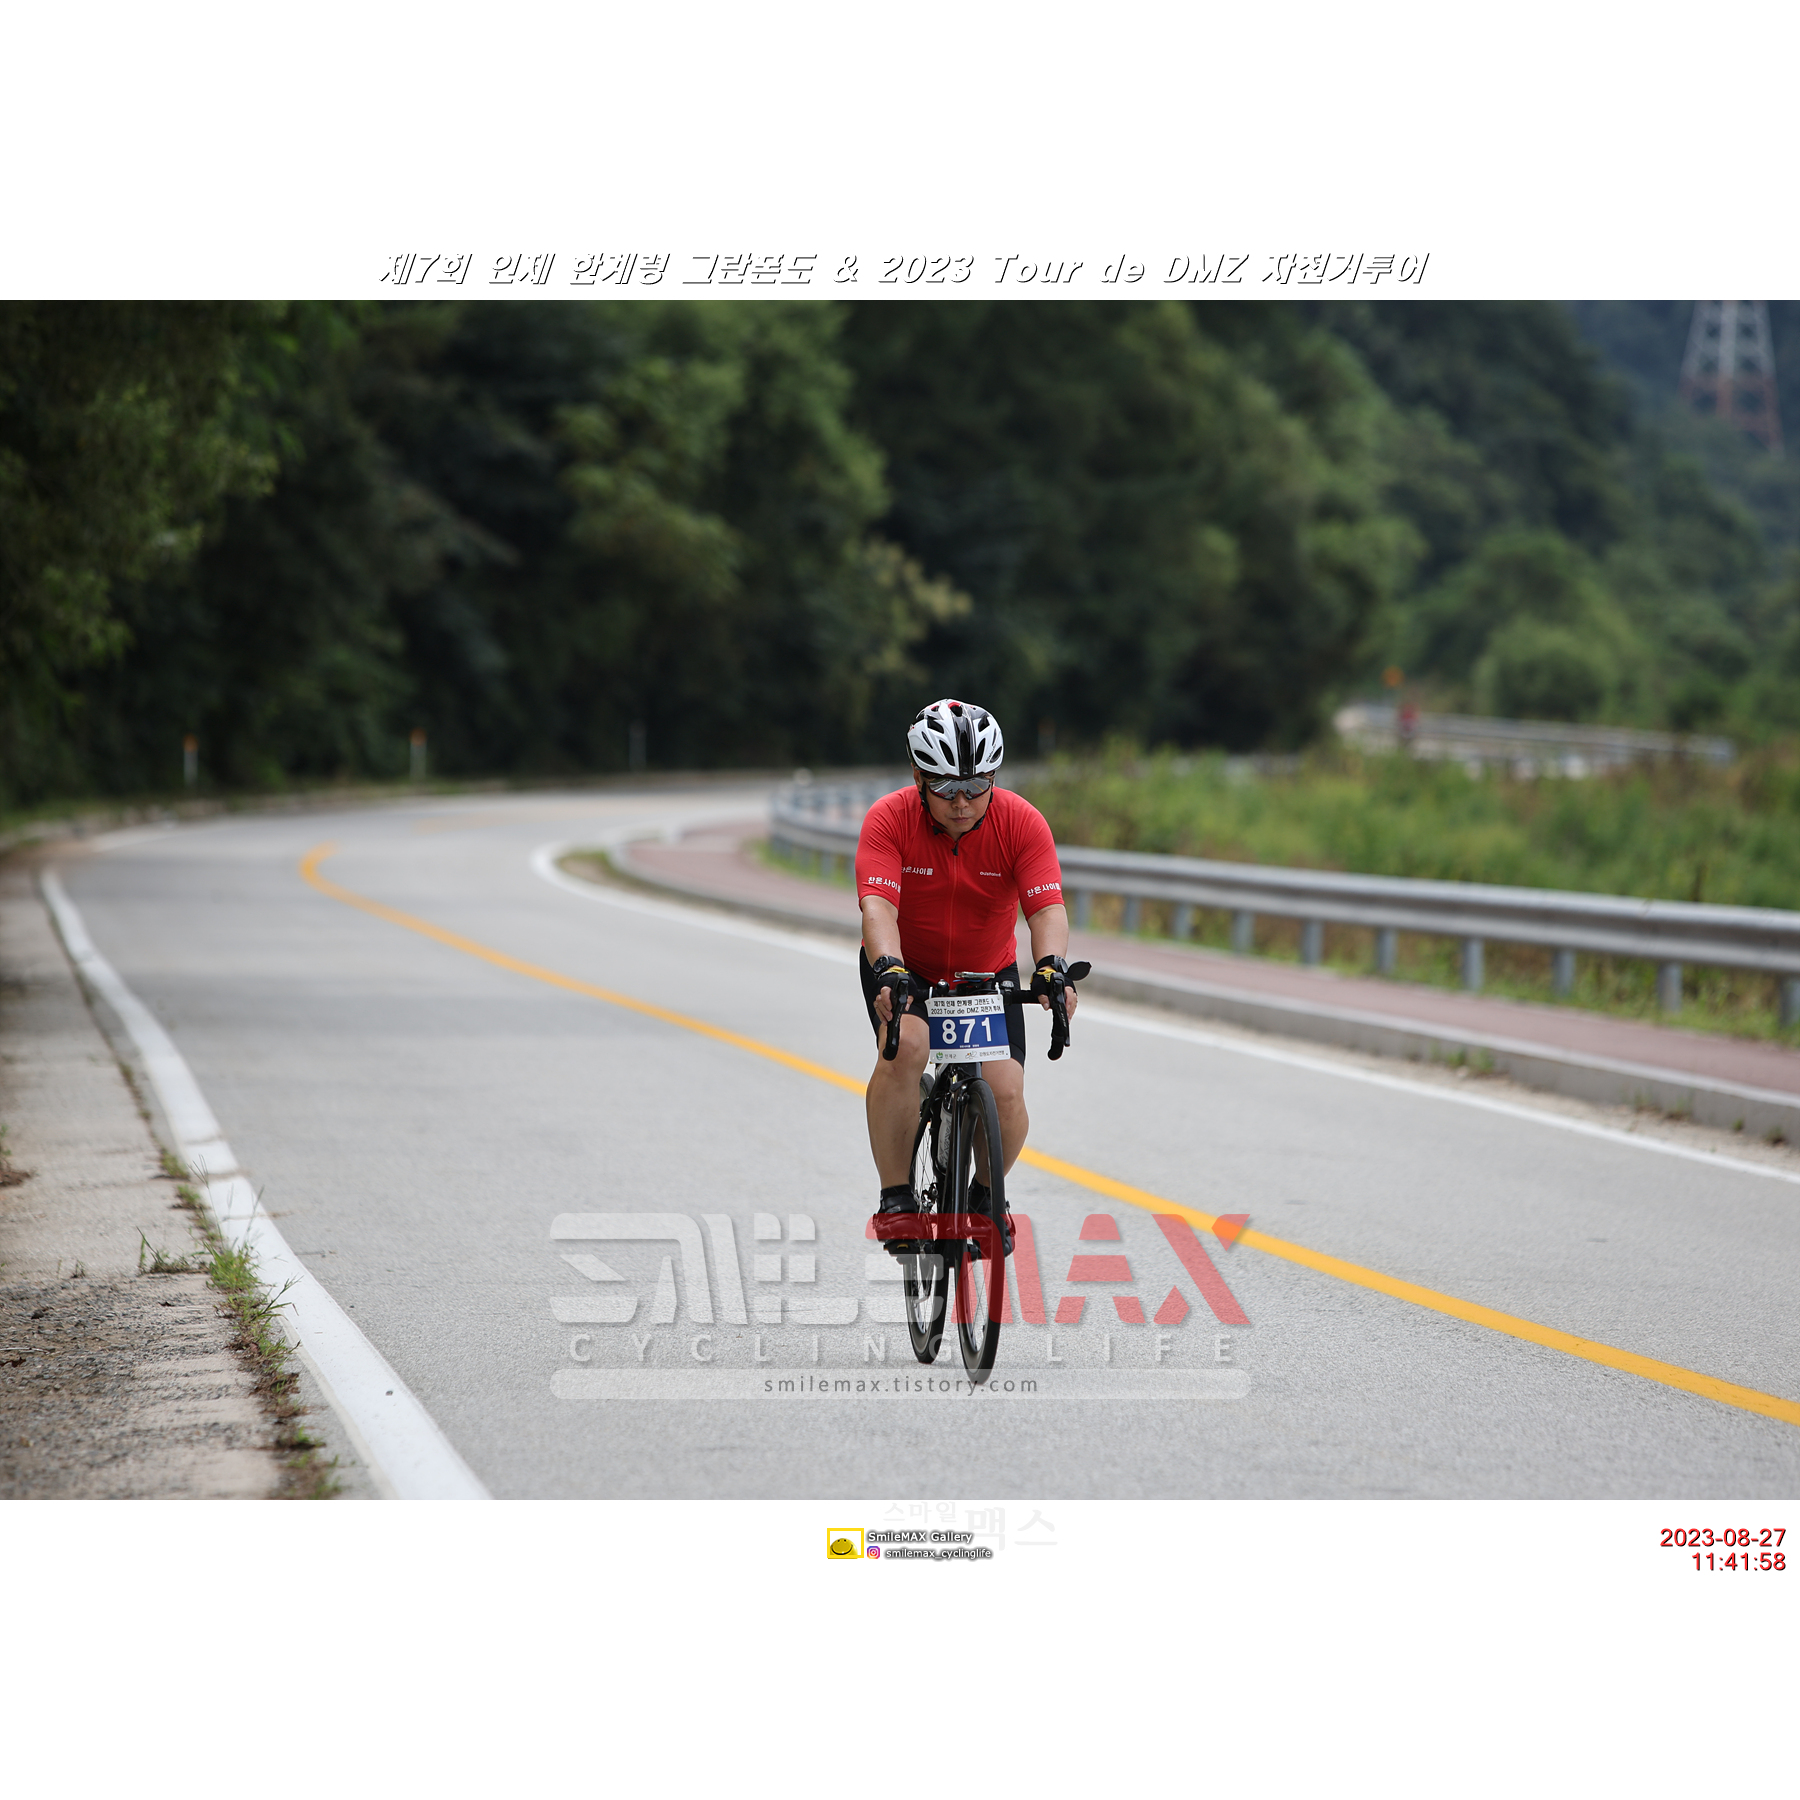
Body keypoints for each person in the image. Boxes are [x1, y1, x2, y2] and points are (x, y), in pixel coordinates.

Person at [856, 698, 1079, 1245]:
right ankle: (896, 1199)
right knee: (906, 1050)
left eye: (977, 788)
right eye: (946, 789)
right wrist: (887, 967)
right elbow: (878, 907)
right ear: (918, 779)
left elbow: (1046, 909)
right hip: (908, 969)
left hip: (986, 975)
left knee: (1005, 1093)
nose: (962, 803)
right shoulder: (889, 819)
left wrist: (1051, 967)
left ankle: (982, 1194)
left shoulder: (1021, 822)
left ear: (993, 778)